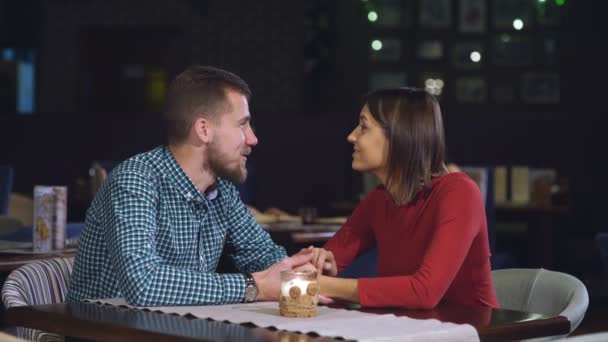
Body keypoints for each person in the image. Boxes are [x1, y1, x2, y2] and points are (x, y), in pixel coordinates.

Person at [67, 65, 313, 306]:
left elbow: (265, 258)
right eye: (242, 124)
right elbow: (143, 284)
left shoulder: (223, 191)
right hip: (105, 331)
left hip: (173, 329)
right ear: (204, 130)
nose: (253, 138)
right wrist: (253, 287)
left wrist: (303, 266)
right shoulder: (136, 181)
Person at [309, 87, 499, 309]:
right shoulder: (379, 200)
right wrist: (319, 262)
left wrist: (324, 285)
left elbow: (424, 292)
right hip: (408, 330)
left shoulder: (459, 192)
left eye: (364, 127)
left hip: (475, 333)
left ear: (400, 135)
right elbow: (327, 263)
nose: (351, 136)